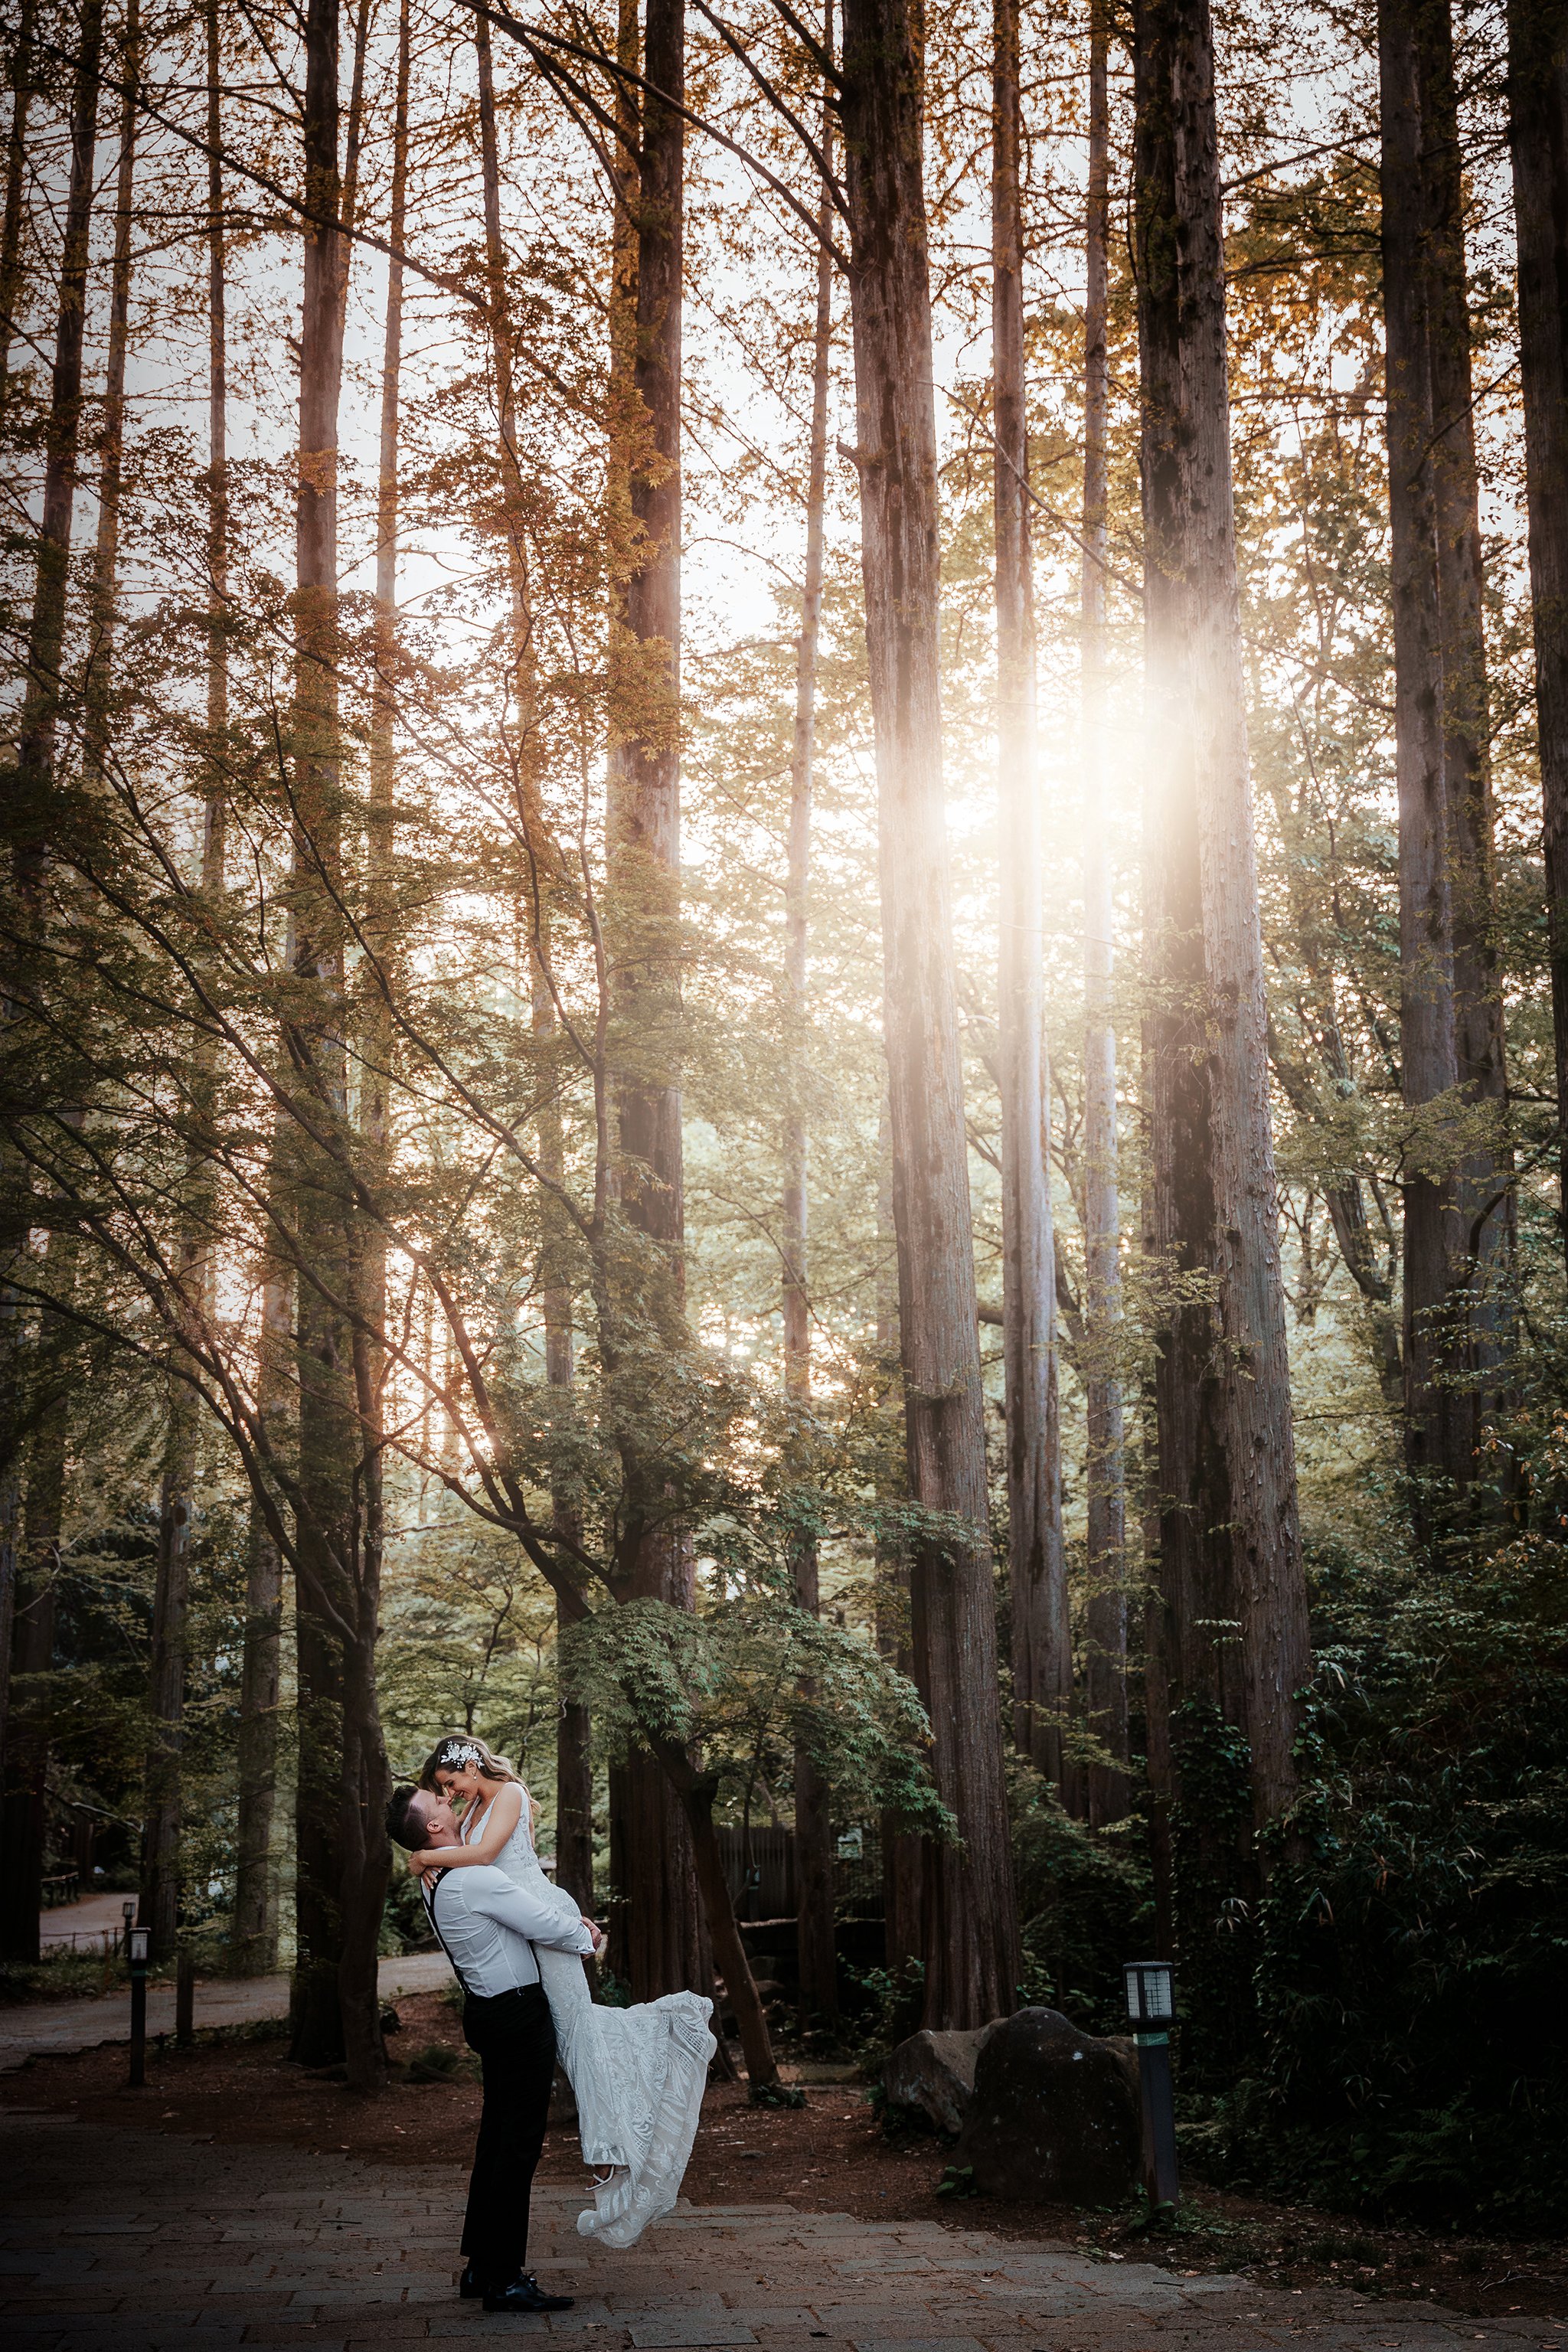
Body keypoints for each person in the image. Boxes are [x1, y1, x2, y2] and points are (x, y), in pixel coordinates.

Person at [407, 1733, 715, 2249]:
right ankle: (614, 2155)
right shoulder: (474, 1815)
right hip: (528, 1930)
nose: (453, 1792)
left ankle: (616, 2152)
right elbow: (477, 1866)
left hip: (542, 1919)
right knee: (576, 2038)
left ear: (472, 1765)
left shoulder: (507, 1796)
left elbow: (483, 1856)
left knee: (578, 2034)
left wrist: (422, 1858)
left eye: (452, 1781)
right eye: (444, 1789)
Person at [385, 1780, 600, 2314]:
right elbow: (549, 1927)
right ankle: (503, 2279)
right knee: (517, 2146)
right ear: (434, 1827)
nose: (447, 1798)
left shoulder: (434, 1878)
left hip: (486, 2012)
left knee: (495, 2141)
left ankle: (482, 2266)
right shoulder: (475, 1877)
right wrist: (589, 1937)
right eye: (438, 1801)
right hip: (517, 2015)